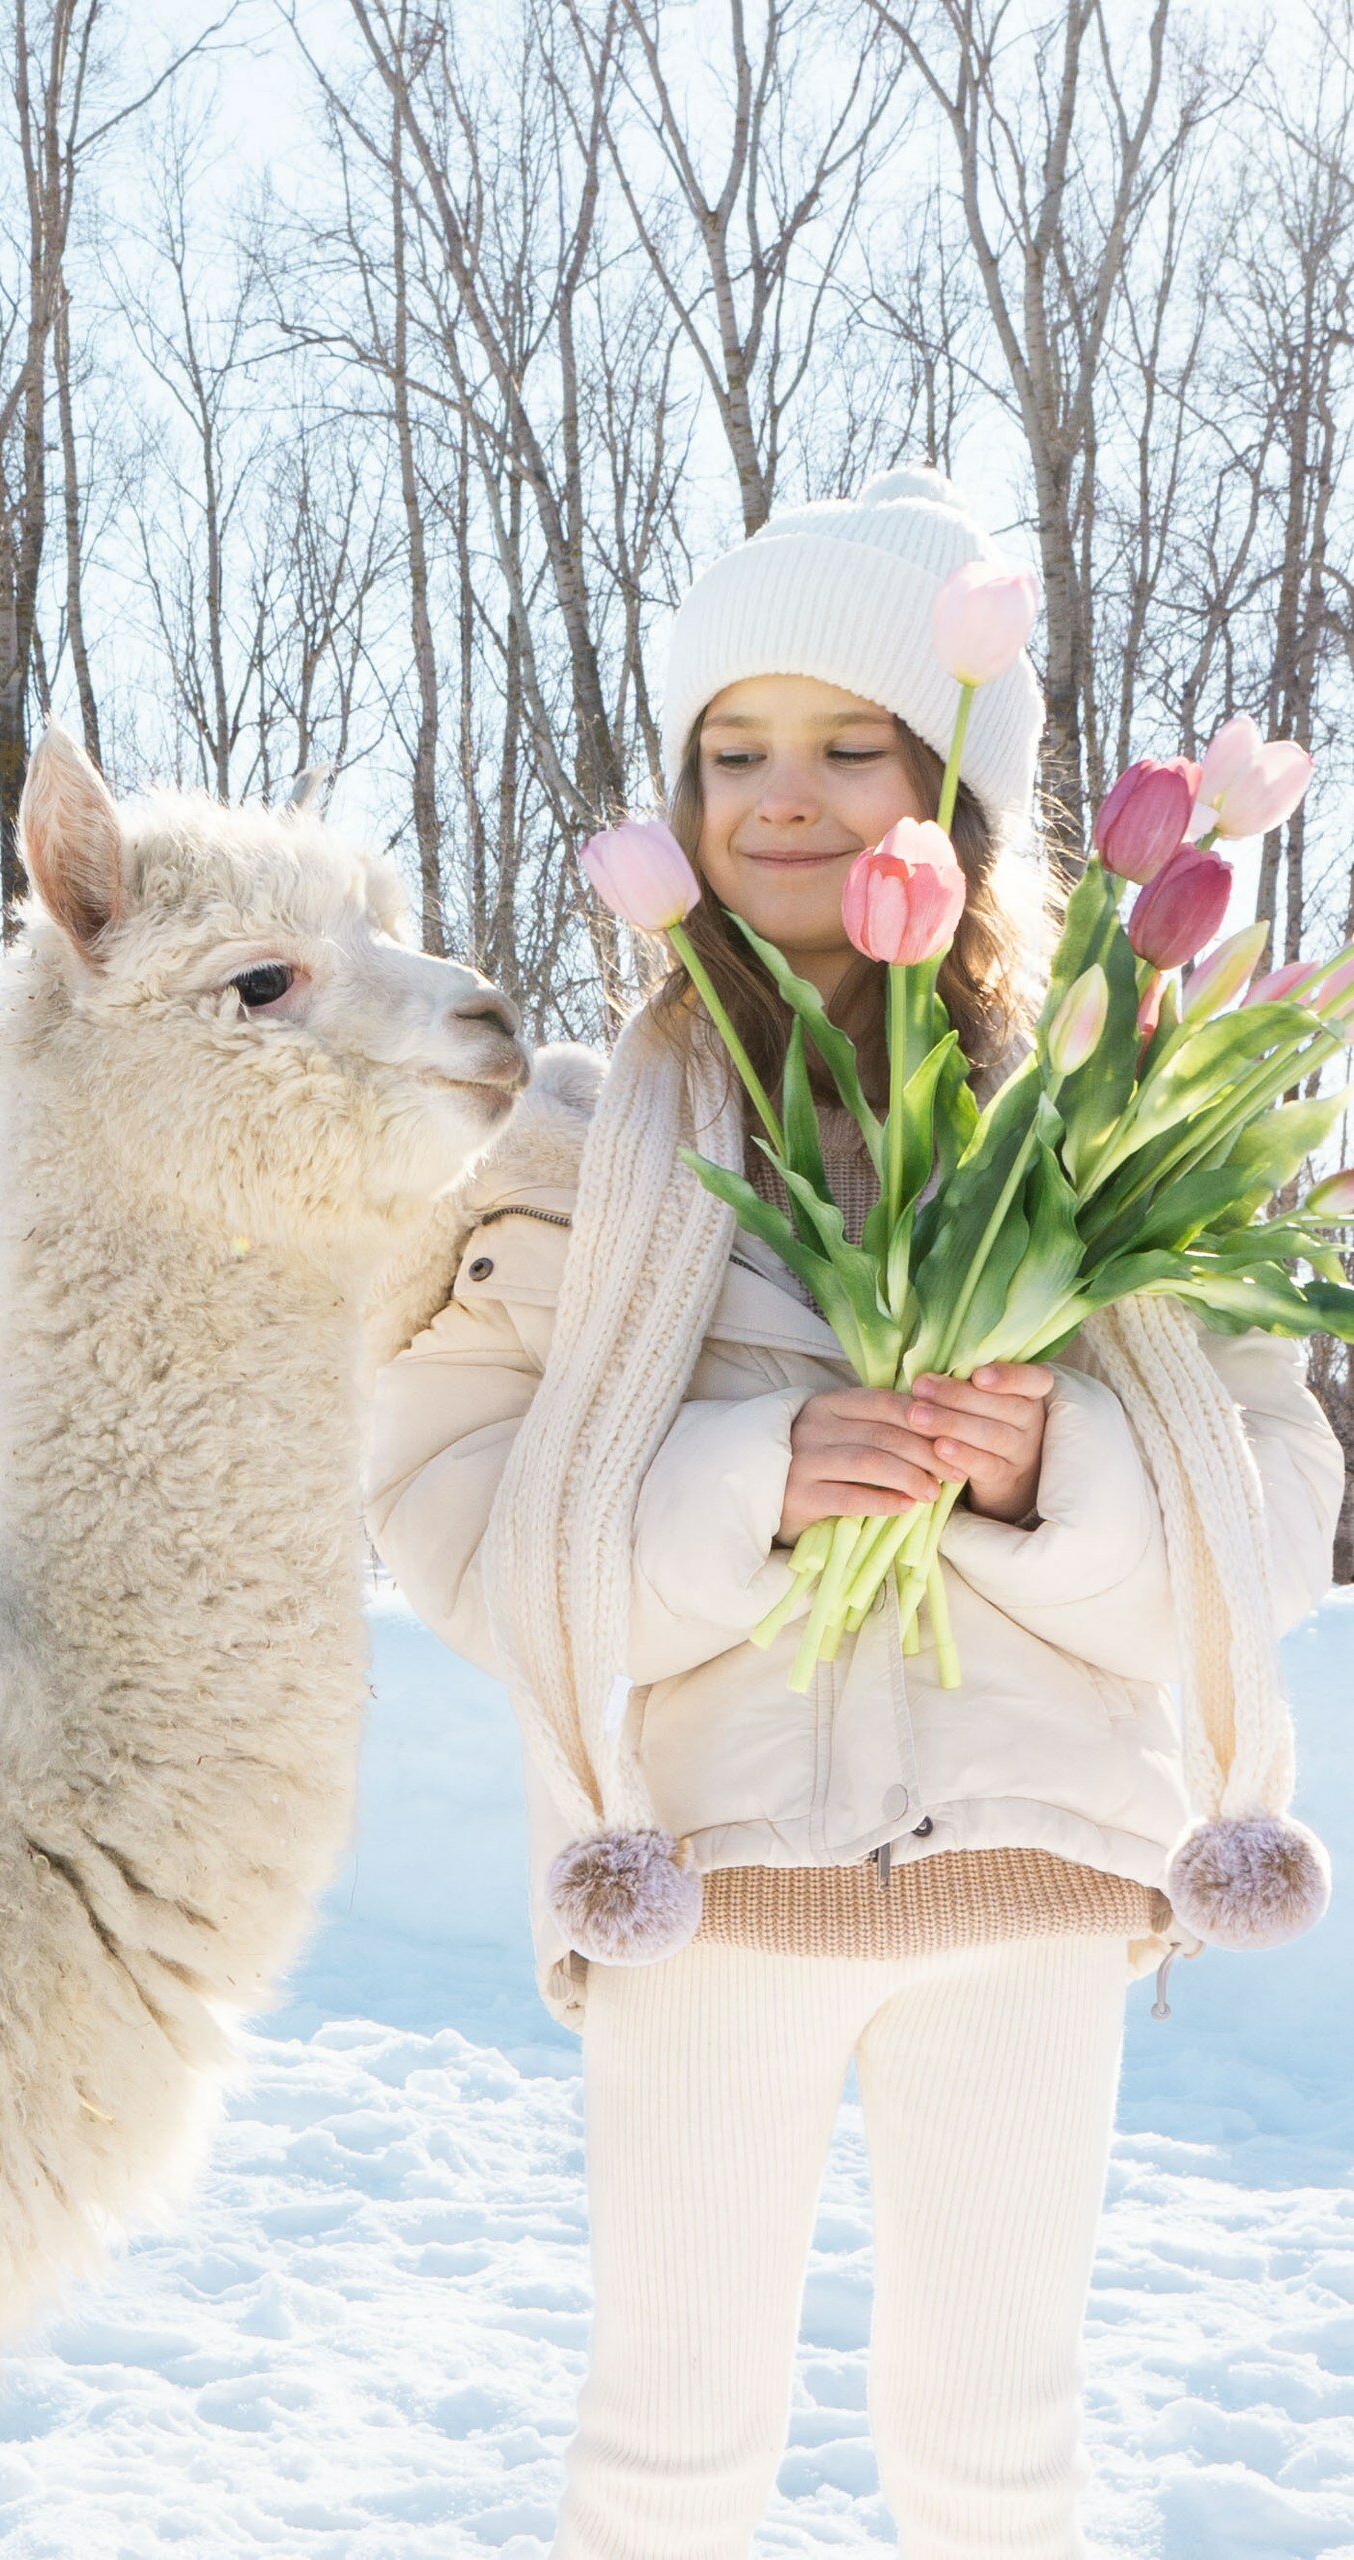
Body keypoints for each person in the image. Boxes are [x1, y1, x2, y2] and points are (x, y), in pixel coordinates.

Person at [362, 465, 1344, 2560]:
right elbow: (455, 1523)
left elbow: (1267, 1517)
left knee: (997, 2451)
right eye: (733, 752)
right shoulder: (563, 1153)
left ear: (952, 795)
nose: (781, 799)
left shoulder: (1107, 1129)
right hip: (707, 1871)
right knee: (670, 2443)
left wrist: (1046, 1473)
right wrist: (756, 1485)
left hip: (1033, 1868)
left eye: (848, 746)